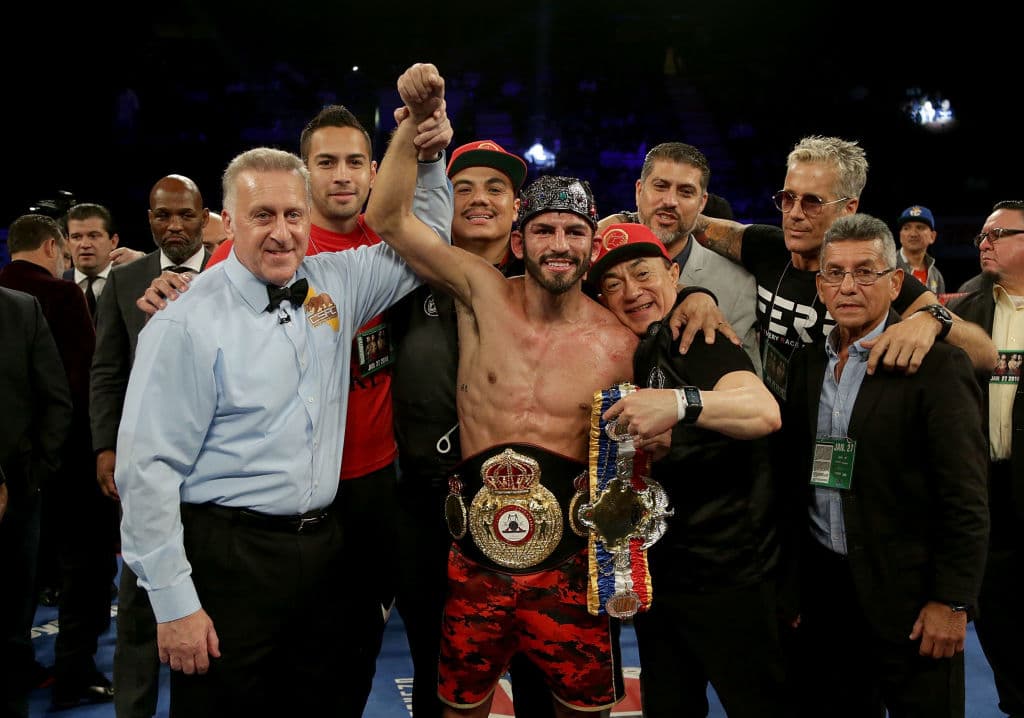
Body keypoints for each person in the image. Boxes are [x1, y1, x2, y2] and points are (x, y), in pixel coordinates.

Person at [115, 145, 451, 717]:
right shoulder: (183, 322)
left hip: (322, 551)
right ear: (227, 222)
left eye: (293, 215)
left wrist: (431, 153)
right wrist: (173, 605)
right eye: (262, 216)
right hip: (227, 558)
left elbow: (428, 239)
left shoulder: (334, 283)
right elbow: (146, 472)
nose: (281, 233)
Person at [367, 63, 639, 718]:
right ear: (521, 238)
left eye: (574, 233)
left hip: (571, 573)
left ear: (593, 244)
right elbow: (388, 216)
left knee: (581, 711)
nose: (559, 245)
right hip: (473, 566)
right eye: (545, 230)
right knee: (457, 707)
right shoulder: (479, 291)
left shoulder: (620, 339)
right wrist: (414, 128)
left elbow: (635, 467)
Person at [780, 214, 988, 716]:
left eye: (866, 271)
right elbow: (795, 484)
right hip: (827, 597)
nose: (848, 285)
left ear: (896, 282)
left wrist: (953, 600)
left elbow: (965, 495)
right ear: (820, 284)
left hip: (913, 598)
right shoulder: (807, 365)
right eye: (835, 273)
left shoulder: (938, 366)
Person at [588, 222, 789, 717]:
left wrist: (678, 404)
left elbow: (763, 411)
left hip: (730, 578)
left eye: (643, 274)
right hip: (663, 578)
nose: (632, 292)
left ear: (673, 275)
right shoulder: (633, 348)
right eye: (613, 284)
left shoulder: (696, 337)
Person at [390, 138, 555, 718]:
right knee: (437, 672)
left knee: (541, 673)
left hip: (536, 506)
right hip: (427, 505)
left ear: (517, 207)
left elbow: (642, 285)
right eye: (464, 188)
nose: (479, 199)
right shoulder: (402, 277)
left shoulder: (553, 277)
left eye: (496, 189)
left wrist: (698, 297)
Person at [692, 135, 996, 400]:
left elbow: (985, 354)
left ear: (848, 208)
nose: (794, 214)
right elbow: (692, 224)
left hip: (843, 429)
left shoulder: (872, 277)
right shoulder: (766, 245)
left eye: (812, 202)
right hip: (769, 431)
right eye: (788, 198)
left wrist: (933, 320)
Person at [89, 174, 213, 718]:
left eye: (186, 214)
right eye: (164, 216)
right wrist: (104, 448)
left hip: (217, 470)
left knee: (210, 602)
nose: (176, 226)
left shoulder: (234, 269)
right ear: (149, 219)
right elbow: (108, 371)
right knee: (138, 607)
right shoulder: (126, 280)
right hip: (147, 468)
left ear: (204, 215)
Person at [0, 214, 117, 709]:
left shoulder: (15, 299)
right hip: (64, 468)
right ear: (55, 246)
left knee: (18, 586)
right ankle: (70, 672)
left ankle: (22, 668)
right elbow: (75, 387)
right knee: (80, 574)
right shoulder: (58, 298)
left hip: (28, 477)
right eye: (75, 238)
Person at [947, 199, 1024, 717]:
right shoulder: (965, 313)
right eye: (981, 235)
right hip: (988, 497)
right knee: (1001, 627)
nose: (984, 243)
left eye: (998, 234)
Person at [598, 142, 761, 371]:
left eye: (685, 192)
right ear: (639, 191)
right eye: (661, 186)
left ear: (702, 202)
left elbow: (749, 390)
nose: (670, 201)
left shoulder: (737, 285)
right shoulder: (598, 267)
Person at [0, 286, 72, 718]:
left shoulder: (19, 309)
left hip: (17, 502)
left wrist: (31, 479)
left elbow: (54, 400)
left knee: (11, 631)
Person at [63, 203, 144, 321]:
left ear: (113, 242)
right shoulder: (57, 285)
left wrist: (143, 260)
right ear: (67, 242)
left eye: (93, 236)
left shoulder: (133, 282)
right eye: (76, 237)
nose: (85, 245)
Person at [895, 204, 945, 294]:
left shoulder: (936, 276)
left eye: (920, 227)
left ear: (932, 236)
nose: (913, 234)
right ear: (900, 235)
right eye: (906, 228)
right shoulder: (888, 267)